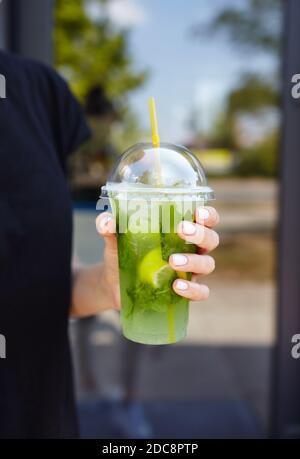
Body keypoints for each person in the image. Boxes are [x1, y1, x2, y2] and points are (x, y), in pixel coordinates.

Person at [0, 50, 219, 439]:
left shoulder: (36, 89)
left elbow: (39, 285)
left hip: (43, 415)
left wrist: (107, 285)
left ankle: (126, 399)